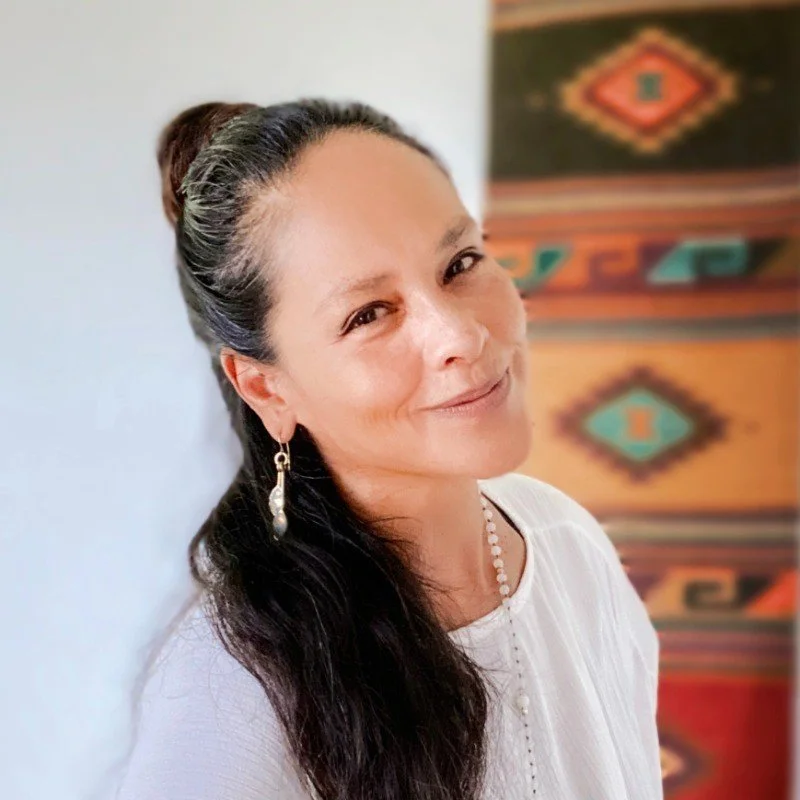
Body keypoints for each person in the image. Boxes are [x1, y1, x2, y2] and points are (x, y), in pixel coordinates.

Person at [114, 100, 662, 800]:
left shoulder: (569, 545)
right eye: (369, 314)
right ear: (266, 388)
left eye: (460, 262)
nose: (461, 336)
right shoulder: (233, 692)